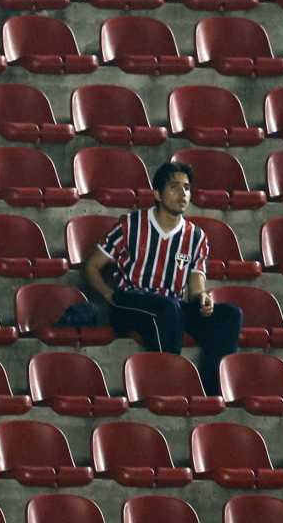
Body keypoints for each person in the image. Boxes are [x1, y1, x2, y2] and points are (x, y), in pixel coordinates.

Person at [81, 159, 242, 395]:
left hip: (171, 306)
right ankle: (169, 389)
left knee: (230, 315)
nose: (183, 194)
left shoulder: (195, 236)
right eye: (175, 187)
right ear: (157, 193)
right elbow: (91, 266)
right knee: (168, 308)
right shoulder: (131, 224)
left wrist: (204, 299)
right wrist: (108, 295)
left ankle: (212, 391)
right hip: (130, 301)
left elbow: (196, 288)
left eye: (186, 188)